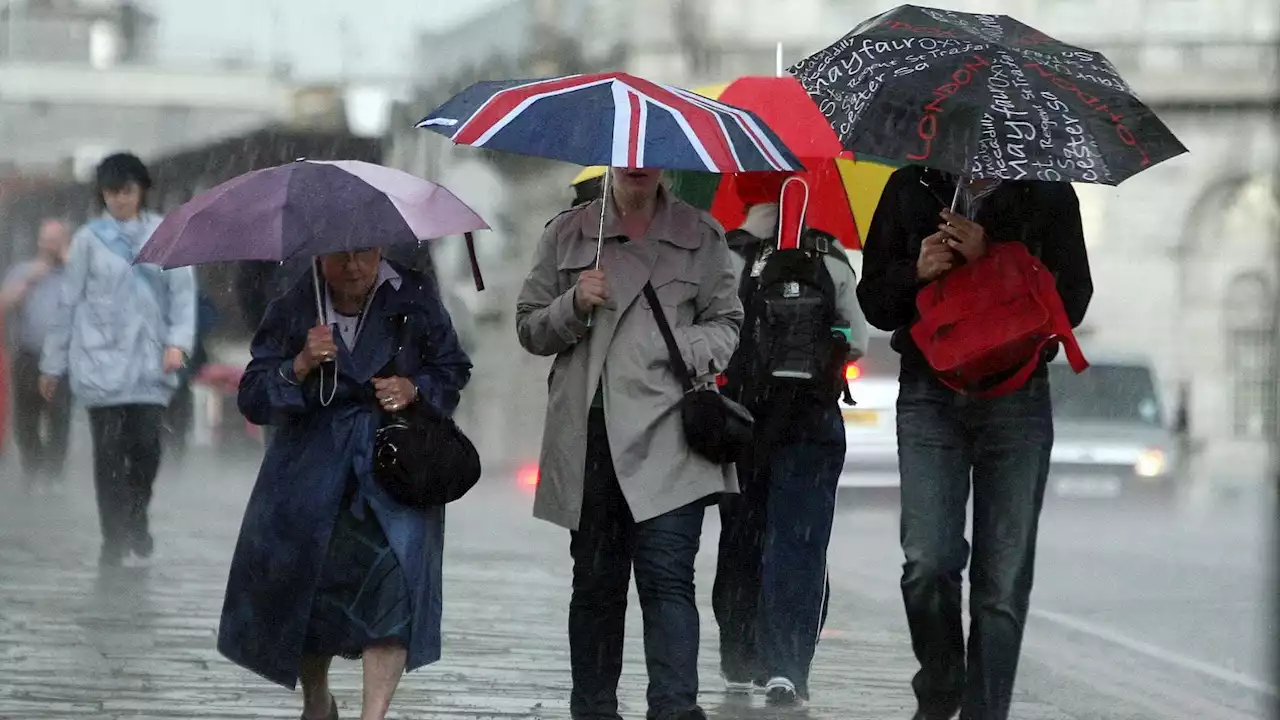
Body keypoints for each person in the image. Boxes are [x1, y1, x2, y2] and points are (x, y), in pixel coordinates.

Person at [858, 166, 1092, 720]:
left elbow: (1073, 301)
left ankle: (987, 710)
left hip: (1017, 396)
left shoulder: (1049, 194)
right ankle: (940, 689)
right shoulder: (910, 187)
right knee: (928, 562)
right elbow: (875, 301)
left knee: (1002, 583)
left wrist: (995, 255)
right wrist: (916, 269)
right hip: (929, 393)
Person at [516, 167, 743, 720]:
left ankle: (674, 708)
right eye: (627, 152)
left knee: (668, 578)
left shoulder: (700, 234)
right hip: (590, 435)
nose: (638, 164)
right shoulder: (568, 233)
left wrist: (679, 347)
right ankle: (593, 709)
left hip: (670, 434)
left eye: (650, 153)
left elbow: (728, 324)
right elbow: (529, 328)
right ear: (611, 159)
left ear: (665, 162)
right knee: (595, 583)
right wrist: (573, 303)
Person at [218, 248, 471, 720]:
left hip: (396, 470)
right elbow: (253, 396)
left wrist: (415, 389)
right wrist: (298, 364)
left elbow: (452, 367)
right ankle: (317, 700)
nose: (353, 266)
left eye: (364, 253)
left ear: (381, 249)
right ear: (318, 258)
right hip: (313, 475)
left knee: (394, 593)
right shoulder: (295, 304)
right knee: (311, 596)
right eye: (340, 256)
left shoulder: (413, 295)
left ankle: (373, 715)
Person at [712, 183, 869, 707]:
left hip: (741, 421)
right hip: (811, 419)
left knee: (741, 536)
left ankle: (739, 659)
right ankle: (788, 667)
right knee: (799, 543)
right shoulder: (830, 255)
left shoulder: (725, 252)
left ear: (740, 188)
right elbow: (859, 339)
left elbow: (711, 333)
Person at [40, 153, 196, 567]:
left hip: (150, 362)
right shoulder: (90, 241)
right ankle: (112, 536)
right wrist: (52, 365)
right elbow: (68, 302)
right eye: (111, 192)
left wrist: (178, 341)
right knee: (107, 454)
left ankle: (137, 515)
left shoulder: (167, 235)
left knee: (146, 447)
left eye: (126, 190)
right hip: (100, 362)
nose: (120, 199)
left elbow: (182, 295)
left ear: (141, 189)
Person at [1, 218, 73, 491]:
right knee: (26, 418)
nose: (51, 245)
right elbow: (4, 304)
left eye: (56, 240)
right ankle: (33, 468)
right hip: (28, 355)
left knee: (59, 417)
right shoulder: (22, 270)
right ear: (39, 242)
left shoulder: (74, 273)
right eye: (47, 239)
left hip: (62, 360)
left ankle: (53, 474)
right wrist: (30, 280)